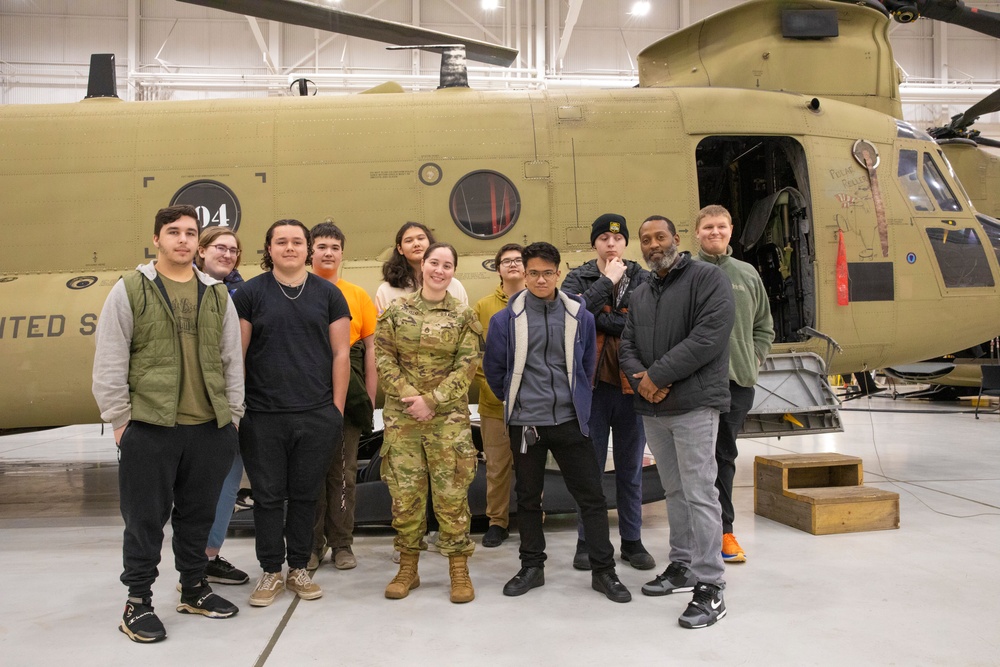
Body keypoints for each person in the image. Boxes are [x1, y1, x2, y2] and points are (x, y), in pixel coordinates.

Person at [92, 205, 243, 643]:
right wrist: (121, 422)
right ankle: (137, 603)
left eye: (190, 233)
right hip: (151, 426)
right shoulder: (130, 288)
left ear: (198, 243)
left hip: (208, 427)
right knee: (145, 521)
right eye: (173, 232)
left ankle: (194, 587)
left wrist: (231, 418)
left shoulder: (215, 294)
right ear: (156, 239)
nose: (182, 240)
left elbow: (232, 361)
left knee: (196, 517)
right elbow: (110, 357)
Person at [483, 241, 632, 604]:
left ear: (558, 274)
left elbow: (583, 365)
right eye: (533, 272)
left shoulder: (579, 315)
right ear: (525, 274)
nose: (540, 279)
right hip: (526, 424)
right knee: (529, 499)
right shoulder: (505, 320)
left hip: (569, 420)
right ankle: (532, 566)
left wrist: (574, 401)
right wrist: (520, 401)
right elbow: (495, 369)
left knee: (592, 497)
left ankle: (604, 570)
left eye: (547, 273)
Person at [619, 215, 735, 629]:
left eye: (660, 237)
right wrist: (642, 381)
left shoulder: (706, 279)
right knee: (674, 491)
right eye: (645, 239)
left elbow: (707, 338)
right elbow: (627, 343)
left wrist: (656, 377)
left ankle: (711, 586)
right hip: (654, 408)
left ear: (676, 239)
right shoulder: (643, 288)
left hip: (694, 406)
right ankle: (682, 565)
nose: (653, 245)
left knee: (701, 493)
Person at [234, 219, 351, 607]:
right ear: (268, 249)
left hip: (316, 414)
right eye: (280, 241)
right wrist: (244, 408)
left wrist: (335, 409)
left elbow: (341, 353)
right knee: (267, 497)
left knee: (305, 495)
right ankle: (270, 571)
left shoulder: (328, 295)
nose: (289, 247)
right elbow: (239, 356)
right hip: (264, 416)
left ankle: (298, 567)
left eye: (297, 242)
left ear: (307, 248)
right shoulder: (250, 294)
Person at [375, 242, 483, 604]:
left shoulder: (464, 316)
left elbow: (467, 366)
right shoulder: (396, 310)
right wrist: (411, 396)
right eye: (434, 263)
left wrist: (432, 401)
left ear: (453, 271)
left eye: (447, 265)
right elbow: (384, 357)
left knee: (452, 495)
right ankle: (408, 567)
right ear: (422, 266)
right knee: (405, 496)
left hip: (446, 419)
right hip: (403, 417)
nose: (439, 270)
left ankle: (458, 569)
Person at [561, 213, 654, 571]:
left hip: (633, 389)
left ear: (625, 242)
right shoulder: (579, 276)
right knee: (591, 472)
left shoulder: (644, 278)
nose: (611, 244)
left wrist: (602, 317)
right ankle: (589, 541)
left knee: (631, 470)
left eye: (617, 238)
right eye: (603, 238)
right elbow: (571, 313)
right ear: (595, 242)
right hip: (593, 390)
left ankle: (632, 541)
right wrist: (606, 283)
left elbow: (645, 321)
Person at [694, 205, 774, 563]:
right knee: (695, 461)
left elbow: (764, 326)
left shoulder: (746, 274)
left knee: (724, 457)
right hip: (694, 384)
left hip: (735, 383)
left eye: (721, 226)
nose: (715, 232)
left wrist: (751, 359)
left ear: (730, 230)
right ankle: (695, 533)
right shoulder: (687, 273)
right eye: (708, 227)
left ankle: (725, 532)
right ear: (697, 233)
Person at [308, 221, 378, 572]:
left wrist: (367, 399)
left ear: (342, 253)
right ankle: (310, 545)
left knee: (344, 473)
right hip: (306, 391)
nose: (328, 253)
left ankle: (341, 544)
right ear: (310, 251)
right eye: (322, 246)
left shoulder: (358, 295)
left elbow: (370, 353)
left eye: (335, 247)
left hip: (346, 394)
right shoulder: (297, 290)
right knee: (308, 473)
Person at [193, 226, 249, 586]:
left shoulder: (241, 293)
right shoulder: (188, 290)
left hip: (232, 403)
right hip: (197, 403)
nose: (227, 255)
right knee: (197, 488)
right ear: (201, 250)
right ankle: (193, 562)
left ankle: (208, 556)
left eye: (233, 250)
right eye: (219, 248)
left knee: (229, 480)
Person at [472, 243, 524, 548]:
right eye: (507, 261)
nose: (513, 265)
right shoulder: (483, 306)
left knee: (532, 464)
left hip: (532, 403)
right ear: (498, 268)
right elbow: (477, 357)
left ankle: (534, 517)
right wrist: (497, 389)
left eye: (519, 260)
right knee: (497, 465)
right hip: (494, 403)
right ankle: (497, 521)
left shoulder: (539, 300)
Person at [374, 221, 468, 313]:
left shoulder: (454, 286)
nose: (416, 244)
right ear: (400, 249)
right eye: (409, 241)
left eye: (421, 238)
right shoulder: (386, 291)